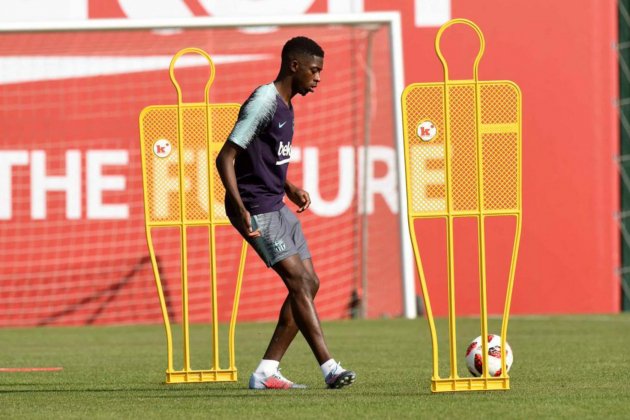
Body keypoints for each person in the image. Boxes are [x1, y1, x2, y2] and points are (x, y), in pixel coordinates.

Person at [216, 36, 356, 390]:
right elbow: (226, 157)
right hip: (256, 208)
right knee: (298, 283)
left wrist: (288, 185)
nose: (319, 77)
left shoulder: (286, 105)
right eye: (315, 69)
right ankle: (329, 368)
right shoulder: (264, 100)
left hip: (275, 202)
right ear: (294, 66)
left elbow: (260, 159)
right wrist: (240, 206)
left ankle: (266, 371)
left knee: (310, 283)